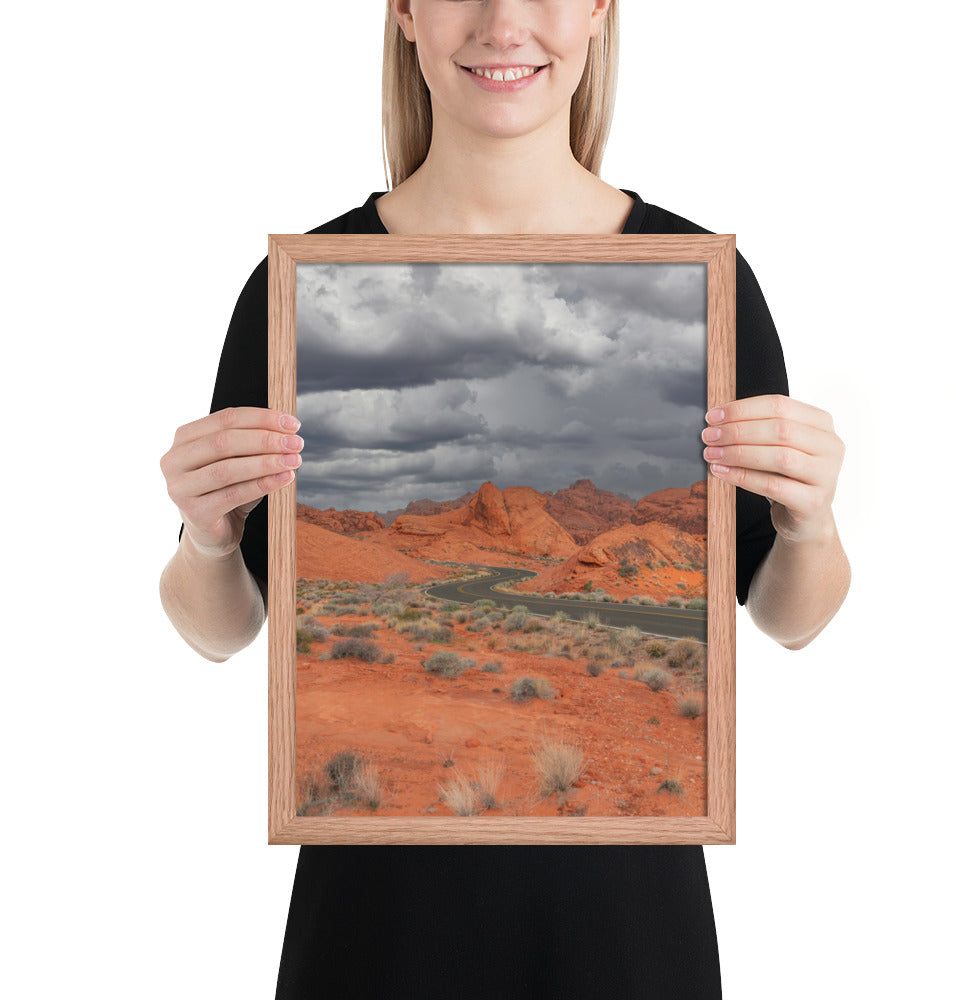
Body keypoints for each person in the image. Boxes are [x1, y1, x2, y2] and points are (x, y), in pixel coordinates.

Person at [159, 2, 851, 997]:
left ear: (601, 11)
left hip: (626, 934)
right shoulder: (294, 287)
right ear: (402, 12)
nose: (503, 20)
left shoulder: (704, 281)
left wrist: (809, 522)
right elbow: (218, 631)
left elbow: (791, 615)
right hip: (372, 933)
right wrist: (207, 537)